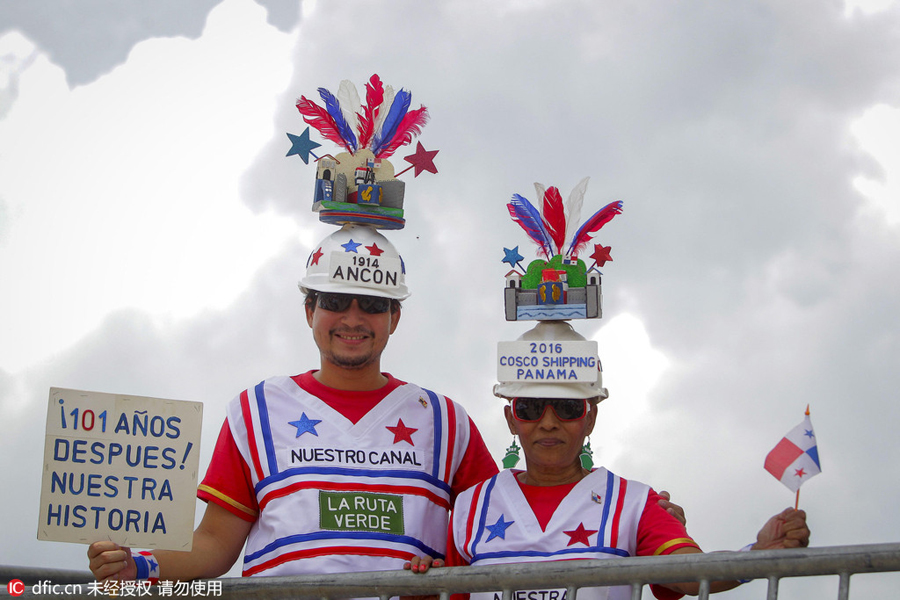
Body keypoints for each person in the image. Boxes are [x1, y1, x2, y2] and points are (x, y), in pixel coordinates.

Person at [87, 224, 500, 582]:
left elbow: (494, 541)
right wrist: (139, 565)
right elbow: (214, 541)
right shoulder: (257, 410)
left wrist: (448, 566)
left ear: (395, 317)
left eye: (372, 305)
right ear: (309, 310)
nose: (352, 319)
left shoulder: (447, 421)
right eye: (335, 302)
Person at [408, 321, 810, 600]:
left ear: (591, 416)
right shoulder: (470, 506)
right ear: (512, 418)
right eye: (531, 407)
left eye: (567, 408)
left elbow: (689, 575)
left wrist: (756, 555)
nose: (548, 423)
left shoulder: (634, 503)